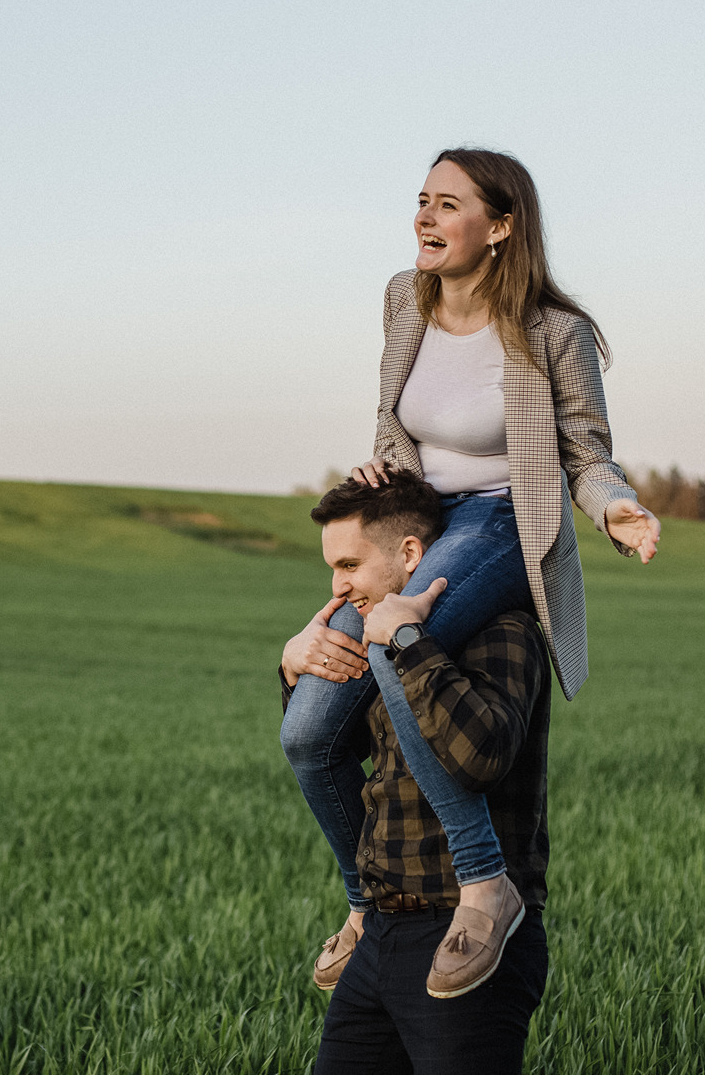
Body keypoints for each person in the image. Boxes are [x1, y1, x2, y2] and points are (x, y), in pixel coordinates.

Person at [279, 147, 659, 996]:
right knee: (307, 728)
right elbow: (392, 419)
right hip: (416, 524)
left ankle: (486, 883)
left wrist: (617, 511)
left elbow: (585, 456)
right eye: (421, 200)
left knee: (393, 641)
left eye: (447, 204)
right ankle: (362, 902)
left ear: (500, 226)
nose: (424, 216)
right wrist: (384, 470)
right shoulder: (402, 301)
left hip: (499, 522)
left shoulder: (554, 333)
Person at [283, 472, 553, 1073]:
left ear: (410, 553)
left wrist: (408, 643)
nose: (338, 585)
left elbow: (480, 755)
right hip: (378, 932)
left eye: (350, 563)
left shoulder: (501, 631)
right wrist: (297, 669)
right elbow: (332, 749)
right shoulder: (373, 634)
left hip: (468, 934)